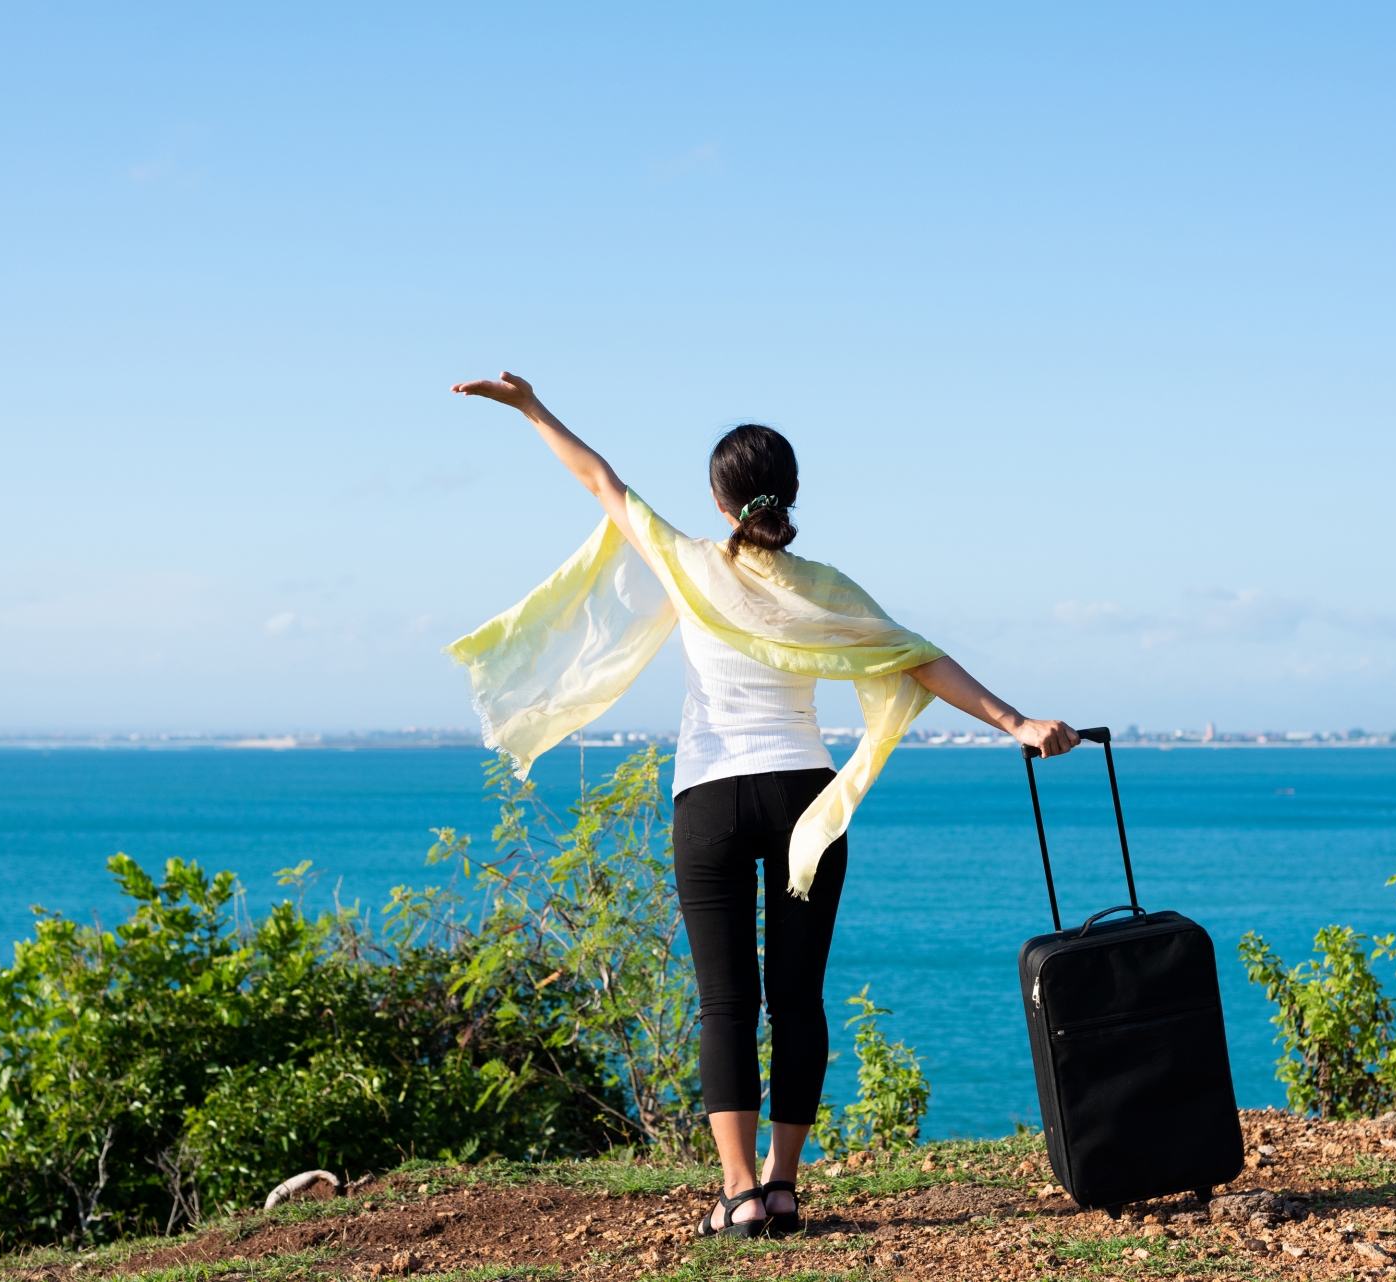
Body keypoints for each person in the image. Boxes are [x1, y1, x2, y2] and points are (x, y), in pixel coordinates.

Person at [450, 371, 1080, 1238]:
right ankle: (783, 1188)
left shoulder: (686, 562)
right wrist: (1017, 722)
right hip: (802, 804)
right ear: (792, 492)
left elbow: (599, 480)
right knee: (798, 999)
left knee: (726, 1003)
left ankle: (738, 1193)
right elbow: (919, 657)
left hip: (707, 802)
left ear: (720, 501)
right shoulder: (824, 588)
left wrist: (529, 408)